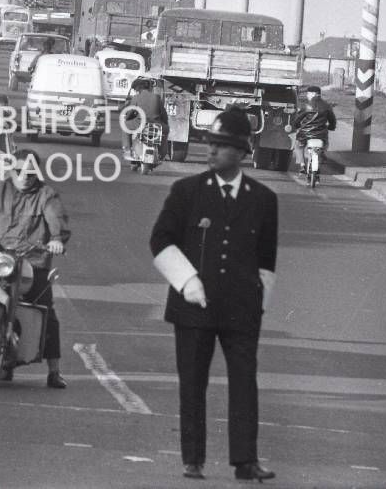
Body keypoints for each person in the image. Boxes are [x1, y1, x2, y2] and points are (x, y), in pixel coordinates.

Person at [149, 107, 278, 482]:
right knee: (192, 384)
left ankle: (245, 460)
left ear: (240, 153)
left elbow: (267, 260)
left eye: (221, 146)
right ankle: (193, 459)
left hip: (241, 310)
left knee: (244, 384)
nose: (211, 151)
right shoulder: (186, 191)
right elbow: (160, 240)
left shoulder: (264, 199)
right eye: (210, 143)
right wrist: (187, 281)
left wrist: (259, 306)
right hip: (193, 309)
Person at [0, 149, 71, 388]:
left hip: (31, 261)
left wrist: (57, 240)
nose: (24, 177)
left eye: (30, 173)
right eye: (19, 172)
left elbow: (56, 219)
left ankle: (54, 371)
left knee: (46, 308)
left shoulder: (46, 196)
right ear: (12, 170)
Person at [120, 78, 168, 171]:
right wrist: (164, 123)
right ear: (150, 87)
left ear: (138, 89)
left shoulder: (136, 98)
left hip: (140, 124)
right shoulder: (157, 98)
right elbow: (164, 114)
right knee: (164, 134)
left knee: (125, 126)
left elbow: (130, 112)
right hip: (156, 125)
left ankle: (127, 149)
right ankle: (162, 154)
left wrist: (126, 118)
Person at [289, 85, 337, 171]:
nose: (307, 95)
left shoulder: (306, 106)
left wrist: (296, 125)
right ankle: (321, 154)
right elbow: (332, 120)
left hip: (305, 133)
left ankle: (302, 164)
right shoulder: (327, 106)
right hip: (321, 134)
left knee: (299, 146)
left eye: (308, 93)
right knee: (324, 145)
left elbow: (298, 118)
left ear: (312, 94)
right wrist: (331, 127)